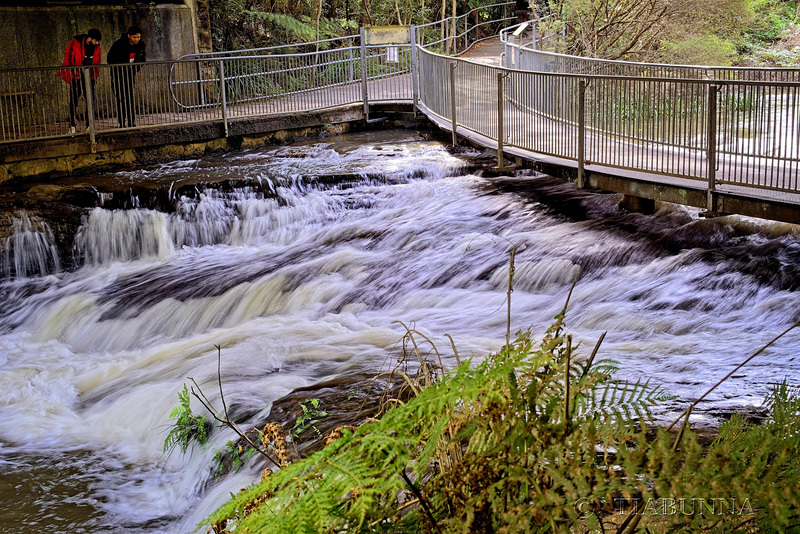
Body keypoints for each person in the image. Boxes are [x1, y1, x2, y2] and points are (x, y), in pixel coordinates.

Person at [58, 28, 102, 134]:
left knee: (90, 100)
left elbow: (97, 62)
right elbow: (69, 59)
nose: (97, 43)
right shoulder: (74, 44)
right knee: (74, 100)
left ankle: (89, 126)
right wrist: (74, 74)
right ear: (89, 38)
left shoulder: (97, 47)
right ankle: (72, 126)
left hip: (89, 76)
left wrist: (94, 76)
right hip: (76, 75)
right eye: (95, 41)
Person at [107, 26, 146, 129]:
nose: (137, 39)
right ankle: (121, 122)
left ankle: (131, 122)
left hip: (129, 75)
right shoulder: (118, 45)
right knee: (120, 98)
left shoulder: (141, 45)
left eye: (138, 37)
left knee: (129, 98)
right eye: (134, 37)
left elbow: (142, 59)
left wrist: (134, 70)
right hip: (118, 75)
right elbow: (110, 59)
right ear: (129, 36)